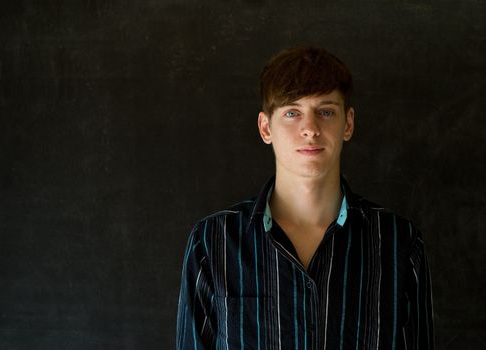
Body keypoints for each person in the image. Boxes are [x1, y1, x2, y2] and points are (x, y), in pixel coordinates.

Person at [176, 47, 434, 349]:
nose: (310, 129)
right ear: (265, 127)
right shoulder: (212, 242)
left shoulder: (398, 243)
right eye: (291, 112)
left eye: (325, 111)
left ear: (348, 123)